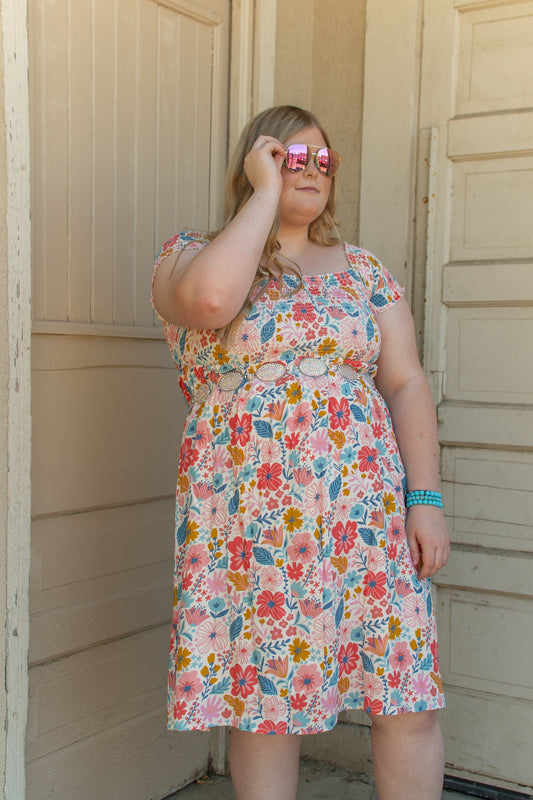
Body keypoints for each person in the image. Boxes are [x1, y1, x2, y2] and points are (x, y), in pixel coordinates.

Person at [151, 105, 450, 800]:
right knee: (265, 703)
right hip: (250, 517)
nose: (312, 169)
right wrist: (263, 197)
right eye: (291, 157)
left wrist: (424, 500)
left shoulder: (363, 270)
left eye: (324, 159)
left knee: (405, 692)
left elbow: (403, 383)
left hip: (363, 510)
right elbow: (214, 299)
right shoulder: (189, 254)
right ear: (255, 164)